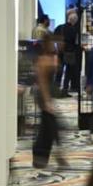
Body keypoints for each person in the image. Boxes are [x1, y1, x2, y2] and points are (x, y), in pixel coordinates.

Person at [32, 34, 67, 170]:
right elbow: (42, 82)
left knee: (47, 127)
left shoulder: (52, 56)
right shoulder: (43, 60)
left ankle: (41, 157)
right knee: (53, 125)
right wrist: (47, 101)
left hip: (48, 94)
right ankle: (57, 153)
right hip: (42, 94)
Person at [57, 8, 82, 93]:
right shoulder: (74, 30)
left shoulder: (59, 27)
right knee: (68, 72)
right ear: (74, 21)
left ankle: (56, 87)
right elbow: (76, 42)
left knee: (59, 71)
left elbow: (54, 39)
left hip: (60, 52)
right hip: (70, 53)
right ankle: (65, 88)